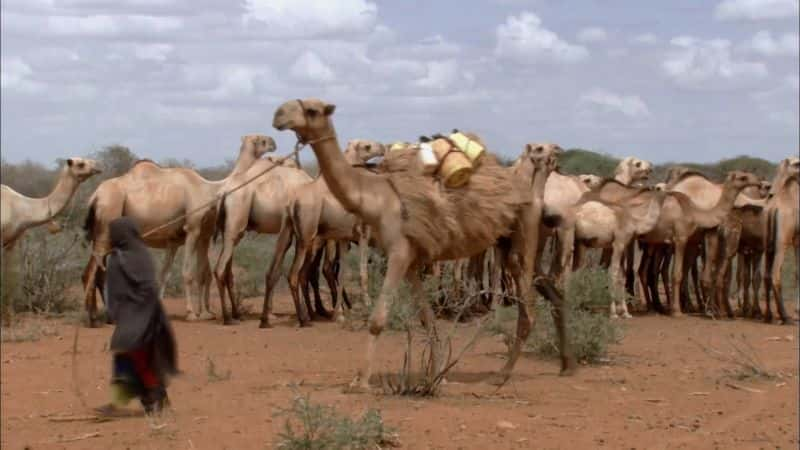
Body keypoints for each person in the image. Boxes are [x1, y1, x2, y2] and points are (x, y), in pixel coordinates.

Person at [94, 217, 178, 417]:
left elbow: (119, 292)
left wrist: (117, 314)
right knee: (131, 357)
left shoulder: (118, 258)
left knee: (134, 356)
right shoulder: (141, 253)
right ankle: (151, 397)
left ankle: (152, 396)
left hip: (136, 317)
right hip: (148, 315)